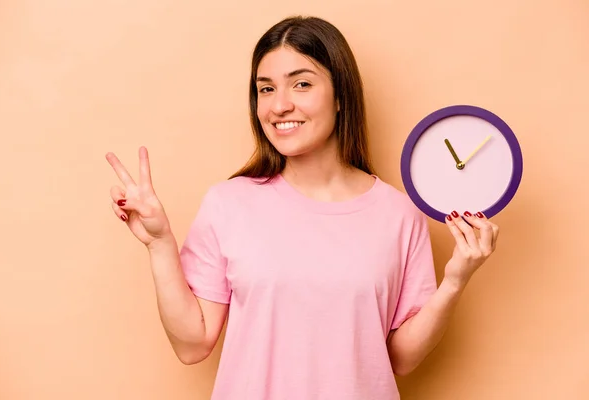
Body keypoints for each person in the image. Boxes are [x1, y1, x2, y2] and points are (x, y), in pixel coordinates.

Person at [105, 15, 499, 400]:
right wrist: (159, 244)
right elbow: (192, 345)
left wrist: (455, 281)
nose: (279, 106)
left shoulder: (399, 215)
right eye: (266, 89)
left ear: (342, 97)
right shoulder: (229, 204)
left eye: (302, 84)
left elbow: (402, 358)